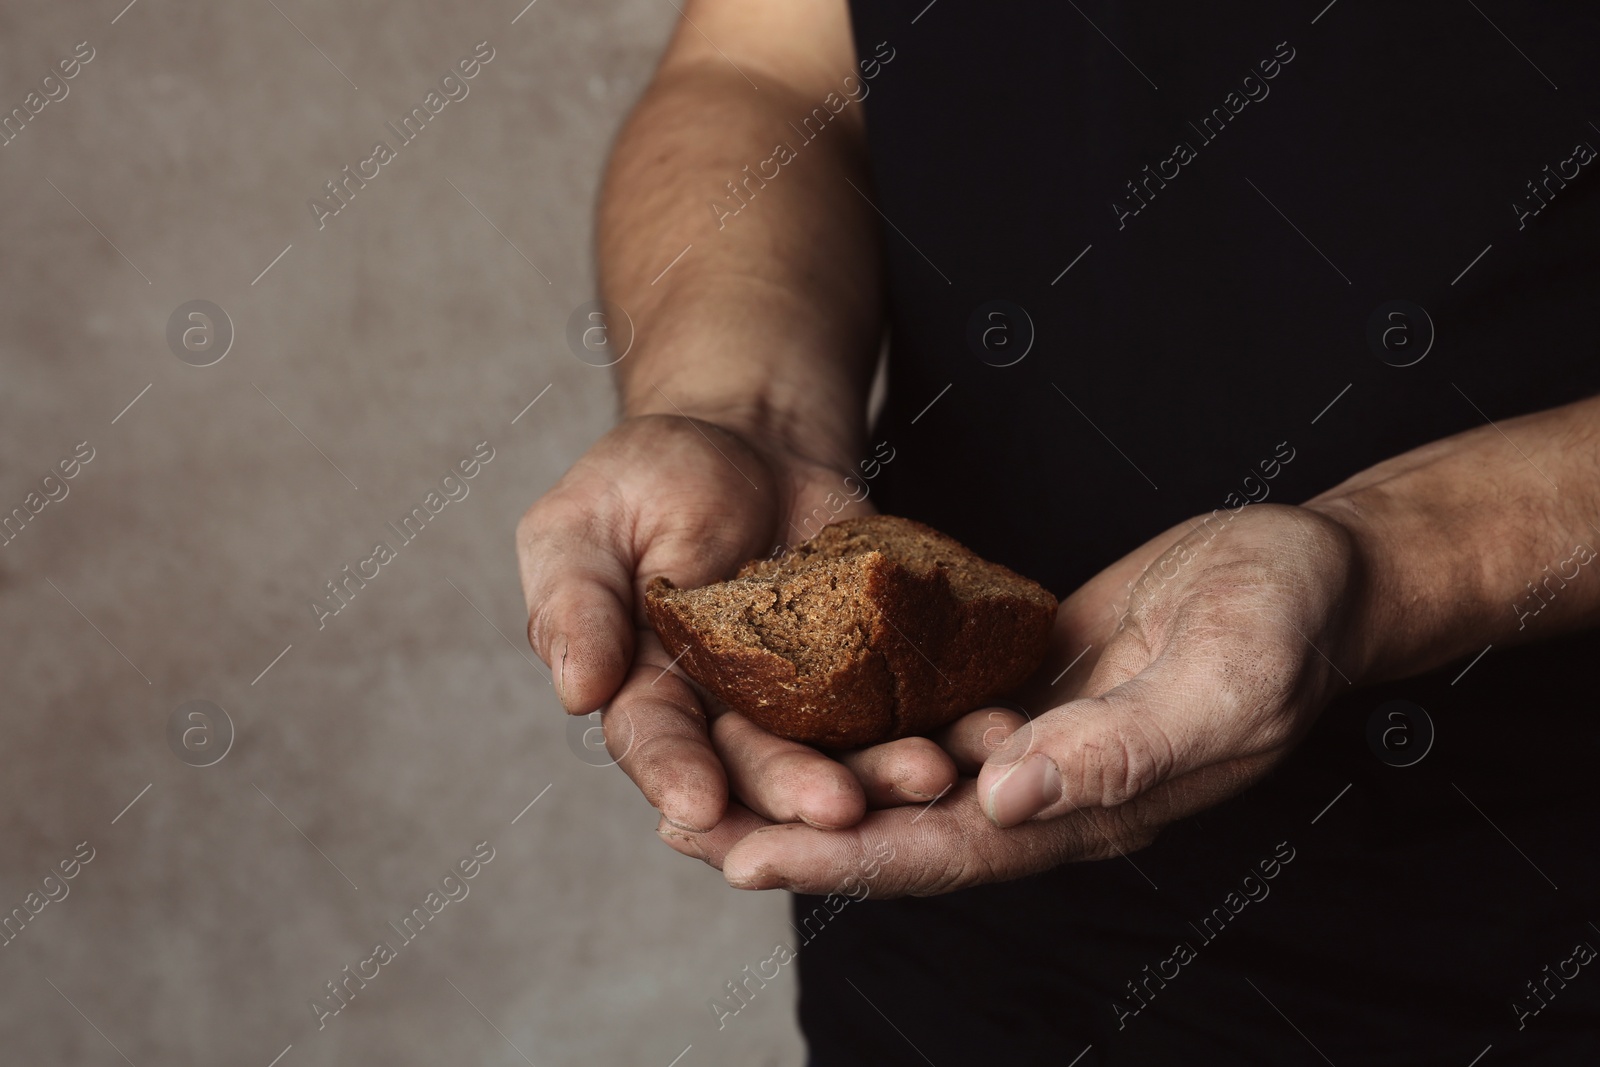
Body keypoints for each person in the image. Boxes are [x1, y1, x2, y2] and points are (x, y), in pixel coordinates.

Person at [518, 1, 1600, 1061]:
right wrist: (739, 412)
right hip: (960, 933)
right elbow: (770, 71)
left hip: (1520, 938)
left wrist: (1390, 555)